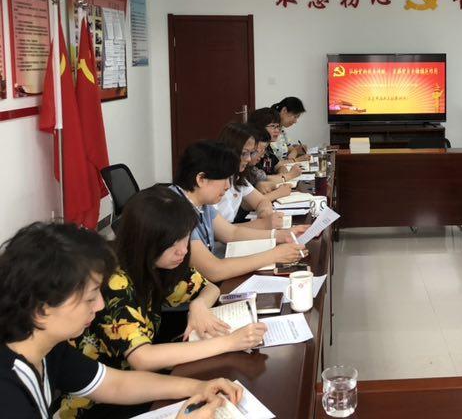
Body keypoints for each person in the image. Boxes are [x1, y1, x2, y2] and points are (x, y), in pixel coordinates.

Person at [0, 221, 242, 419]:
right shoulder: (7, 393)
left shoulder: (48, 346)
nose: (100, 306)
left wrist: (197, 387)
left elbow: (115, 385)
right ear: (42, 309)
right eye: (90, 298)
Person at [61, 187, 267, 418]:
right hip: (98, 402)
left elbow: (209, 288)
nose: (183, 250)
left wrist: (198, 306)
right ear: (145, 241)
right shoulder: (115, 282)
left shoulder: (160, 262)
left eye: (186, 238)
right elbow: (142, 358)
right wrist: (229, 342)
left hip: (139, 384)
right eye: (173, 243)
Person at [172, 140, 308, 283]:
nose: (227, 186)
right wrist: (274, 255)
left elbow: (231, 233)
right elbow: (214, 270)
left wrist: (282, 235)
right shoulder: (176, 211)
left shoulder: (201, 202)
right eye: (225, 179)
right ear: (201, 179)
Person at [216, 122, 286, 229]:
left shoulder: (237, 176)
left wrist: (264, 213)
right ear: (230, 151)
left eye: (251, 153)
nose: (249, 159)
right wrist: (264, 224)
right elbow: (224, 232)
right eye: (244, 153)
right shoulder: (213, 181)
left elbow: (262, 201)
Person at [247, 107, 303, 182]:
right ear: (259, 127)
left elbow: (278, 166)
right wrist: (288, 176)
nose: (277, 131)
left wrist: (281, 174)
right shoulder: (253, 149)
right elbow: (260, 180)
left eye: (278, 127)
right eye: (273, 126)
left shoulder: (268, 146)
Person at [270, 97, 309, 161]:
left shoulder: (282, 130)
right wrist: (295, 160)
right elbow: (274, 164)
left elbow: (291, 149)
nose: (295, 121)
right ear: (284, 110)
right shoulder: (269, 130)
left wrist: (295, 151)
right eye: (295, 117)